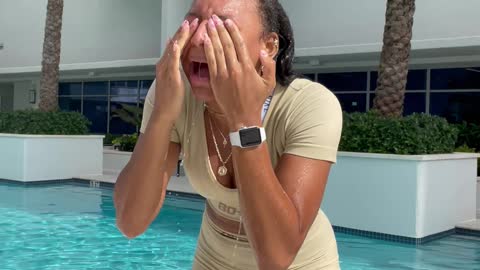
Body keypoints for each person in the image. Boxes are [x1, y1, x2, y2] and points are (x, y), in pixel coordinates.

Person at [114, 0, 343, 269]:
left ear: (268, 46)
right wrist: (162, 115)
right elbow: (130, 222)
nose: (199, 38)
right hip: (212, 257)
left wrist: (244, 121)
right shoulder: (172, 93)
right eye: (193, 22)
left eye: (220, 25)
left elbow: (277, 257)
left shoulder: (309, 105)